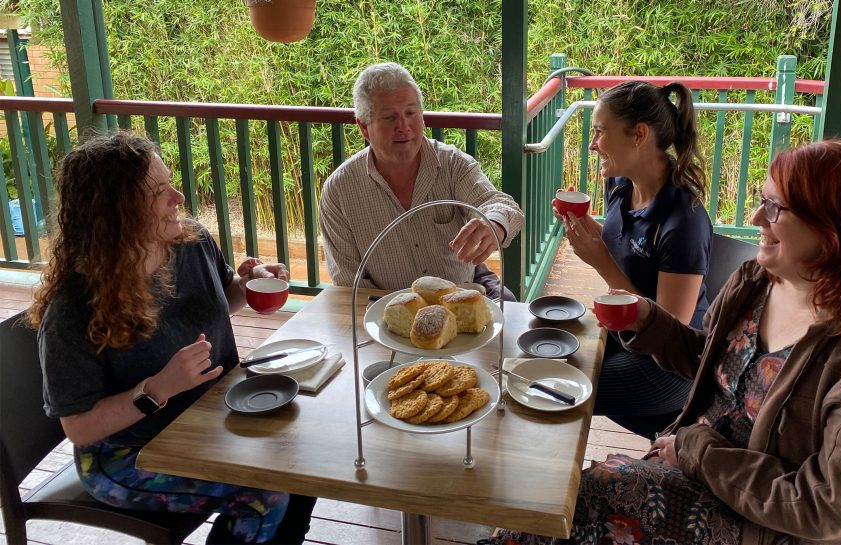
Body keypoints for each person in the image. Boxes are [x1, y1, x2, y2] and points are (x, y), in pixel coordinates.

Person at [488, 140, 841, 544]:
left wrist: (693, 449)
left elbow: (828, 509)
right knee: (568, 503)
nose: (756, 218)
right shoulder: (759, 282)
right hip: (698, 472)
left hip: (770, 529)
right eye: (762, 201)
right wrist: (649, 321)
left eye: (775, 208)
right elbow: (711, 362)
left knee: (595, 496)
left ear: (835, 228)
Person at [26, 132, 316, 544]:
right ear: (118, 212)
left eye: (170, 183)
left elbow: (224, 297)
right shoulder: (74, 308)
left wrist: (247, 283)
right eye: (160, 192)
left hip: (208, 418)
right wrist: (157, 389)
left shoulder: (190, 241)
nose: (178, 197)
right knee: (261, 494)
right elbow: (80, 428)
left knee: (310, 463)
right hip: (126, 455)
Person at [556, 80, 712, 438]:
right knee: (546, 361)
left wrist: (600, 262)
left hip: (669, 365)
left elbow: (672, 331)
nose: (592, 144)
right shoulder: (621, 187)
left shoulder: (683, 221)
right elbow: (621, 244)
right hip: (623, 330)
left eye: (599, 132)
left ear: (639, 134)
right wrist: (584, 228)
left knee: (559, 393)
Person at [319, 62, 524, 300]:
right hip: (389, 304)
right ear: (364, 127)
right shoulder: (340, 191)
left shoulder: (452, 164)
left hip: (462, 289)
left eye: (411, 113)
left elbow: (503, 205)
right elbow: (348, 282)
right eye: (389, 117)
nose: (403, 127)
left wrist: (494, 225)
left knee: (509, 312)